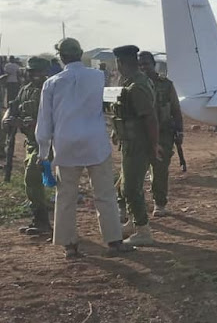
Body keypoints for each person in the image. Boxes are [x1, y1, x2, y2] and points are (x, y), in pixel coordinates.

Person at [35, 38, 134, 259]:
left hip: (66, 145)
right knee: (105, 195)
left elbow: (44, 122)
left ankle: (69, 246)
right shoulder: (98, 76)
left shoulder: (51, 83)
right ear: (80, 54)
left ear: (61, 57)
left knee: (66, 197)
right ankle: (114, 241)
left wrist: (43, 154)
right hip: (95, 143)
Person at [112, 45, 162, 245]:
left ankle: (143, 231)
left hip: (138, 144)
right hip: (131, 142)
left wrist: (154, 145)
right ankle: (134, 223)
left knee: (132, 188)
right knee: (125, 186)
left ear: (121, 63)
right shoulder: (131, 82)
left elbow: (150, 117)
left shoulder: (137, 86)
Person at [2, 57, 53, 235]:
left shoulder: (50, 89)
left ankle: (44, 222)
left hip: (49, 142)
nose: (35, 75)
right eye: (32, 71)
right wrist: (8, 119)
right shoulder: (25, 90)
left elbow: (51, 118)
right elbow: (13, 107)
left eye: (38, 71)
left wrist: (22, 123)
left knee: (33, 176)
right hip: (32, 143)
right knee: (30, 180)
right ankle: (40, 219)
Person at [137, 50, 183, 217]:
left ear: (153, 65)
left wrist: (179, 131)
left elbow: (176, 110)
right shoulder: (134, 85)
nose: (143, 68)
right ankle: (133, 205)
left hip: (163, 133)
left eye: (146, 64)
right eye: (140, 65)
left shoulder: (166, 85)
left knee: (160, 169)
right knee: (136, 169)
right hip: (139, 133)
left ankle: (159, 202)